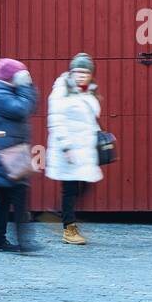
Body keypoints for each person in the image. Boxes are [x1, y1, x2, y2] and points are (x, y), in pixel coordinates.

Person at [0, 58, 40, 253]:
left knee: (4, 198)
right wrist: (26, 86)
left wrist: (26, 87)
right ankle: (24, 242)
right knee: (19, 196)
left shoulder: (2, 91)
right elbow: (22, 109)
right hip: (7, 151)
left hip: (10, 150)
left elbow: (29, 106)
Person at [46, 53, 102, 245]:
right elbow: (56, 119)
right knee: (70, 189)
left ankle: (60, 215)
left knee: (84, 184)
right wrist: (66, 146)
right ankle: (68, 228)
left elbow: (89, 118)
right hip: (68, 148)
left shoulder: (86, 90)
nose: (80, 75)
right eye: (77, 71)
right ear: (71, 72)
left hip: (84, 148)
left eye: (85, 72)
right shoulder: (62, 90)